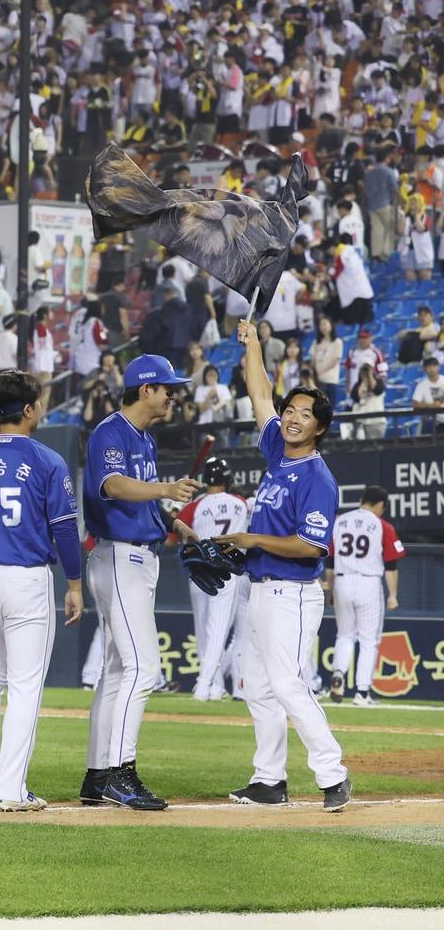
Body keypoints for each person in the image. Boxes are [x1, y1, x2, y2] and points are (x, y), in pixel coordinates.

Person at [215, 319, 351, 812]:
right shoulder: (278, 456)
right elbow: (258, 397)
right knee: (259, 687)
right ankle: (269, 779)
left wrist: (251, 538)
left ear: (319, 426)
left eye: (304, 414)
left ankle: (333, 773)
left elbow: (311, 547)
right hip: (262, 589)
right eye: (290, 410)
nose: (292, 418)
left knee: (289, 683)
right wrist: (253, 345)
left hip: (293, 592)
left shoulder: (317, 477)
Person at [0, 370, 84, 812]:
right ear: (27, 409)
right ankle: (10, 788)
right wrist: (76, 582)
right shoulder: (47, 460)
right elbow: (65, 529)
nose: (40, 409)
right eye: (38, 402)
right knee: (25, 686)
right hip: (26, 577)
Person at [79, 354, 201, 811]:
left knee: (116, 671)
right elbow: (111, 485)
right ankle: (122, 774)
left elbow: (142, 499)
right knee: (144, 668)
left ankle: (97, 774)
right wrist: (166, 490)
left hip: (138, 555)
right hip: (118, 557)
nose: (173, 394)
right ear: (145, 390)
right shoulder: (110, 431)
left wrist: (176, 523)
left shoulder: (144, 439)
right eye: (167, 387)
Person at [172, 458, 249, 702]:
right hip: (226, 570)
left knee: (204, 631)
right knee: (217, 631)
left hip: (199, 571)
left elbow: (174, 535)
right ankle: (206, 685)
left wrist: (175, 508)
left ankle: (211, 685)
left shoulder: (194, 506)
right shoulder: (241, 503)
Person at [324, 486, 404, 708]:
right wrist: (393, 595)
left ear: (361, 500)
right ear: (381, 506)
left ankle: (338, 673)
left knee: (344, 635)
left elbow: (329, 560)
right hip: (368, 582)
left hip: (342, 581)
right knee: (369, 640)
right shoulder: (382, 525)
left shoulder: (339, 522)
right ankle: (362, 692)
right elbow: (391, 564)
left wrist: (331, 589)